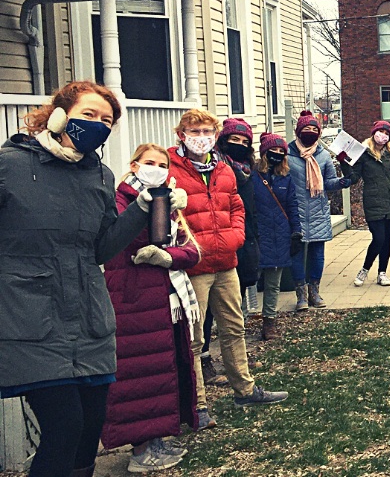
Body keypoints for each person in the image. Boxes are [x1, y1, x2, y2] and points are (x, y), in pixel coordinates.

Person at [0, 82, 155, 477]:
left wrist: (140, 207)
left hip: (89, 322)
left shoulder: (98, 175)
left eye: (107, 120)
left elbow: (101, 249)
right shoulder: (10, 165)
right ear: (58, 114)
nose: (98, 125)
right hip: (31, 320)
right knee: (64, 426)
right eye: (89, 115)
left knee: (88, 431)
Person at [169, 108, 287, 430]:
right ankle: (198, 405)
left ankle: (245, 390)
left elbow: (237, 206)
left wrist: (235, 237)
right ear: (182, 135)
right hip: (194, 269)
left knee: (234, 329)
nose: (201, 138)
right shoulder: (169, 168)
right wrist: (189, 248)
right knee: (194, 339)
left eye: (207, 131)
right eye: (194, 132)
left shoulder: (223, 169)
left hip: (226, 264)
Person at [102, 144, 201, 472]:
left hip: (166, 299)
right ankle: (141, 450)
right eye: (149, 163)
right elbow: (122, 243)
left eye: (162, 164)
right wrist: (149, 214)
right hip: (134, 303)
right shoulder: (120, 201)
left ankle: (157, 438)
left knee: (163, 371)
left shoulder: (167, 200)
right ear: (133, 165)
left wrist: (170, 256)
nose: (156, 168)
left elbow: (191, 249)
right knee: (138, 377)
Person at [288, 110, 350, 310]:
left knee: (317, 254)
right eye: (306, 128)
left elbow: (329, 182)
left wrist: (342, 182)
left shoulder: (322, 155)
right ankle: (301, 296)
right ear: (298, 131)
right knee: (296, 254)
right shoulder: (287, 154)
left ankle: (315, 291)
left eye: (314, 129)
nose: (311, 132)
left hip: (317, 211)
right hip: (295, 212)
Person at [340, 120, 390, 287]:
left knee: (387, 239)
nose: (383, 135)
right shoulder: (363, 154)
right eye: (381, 132)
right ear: (374, 133)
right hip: (373, 201)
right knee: (378, 238)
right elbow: (353, 178)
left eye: (387, 133)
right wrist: (344, 163)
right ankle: (365, 270)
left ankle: (382, 273)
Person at [251, 132, 301, 340]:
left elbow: (292, 205)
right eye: (274, 150)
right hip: (257, 234)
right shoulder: (252, 176)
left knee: (274, 282)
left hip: (280, 233)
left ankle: (269, 320)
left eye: (282, 151)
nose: (278, 154)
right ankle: (243, 318)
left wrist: (297, 231)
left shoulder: (285, 178)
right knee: (249, 280)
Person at [214, 118, 261, 320]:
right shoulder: (217, 167)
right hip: (220, 233)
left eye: (244, 142)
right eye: (235, 139)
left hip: (244, 234)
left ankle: (237, 327)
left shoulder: (249, 171)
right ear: (224, 140)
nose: (240, 145)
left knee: (240, 284)